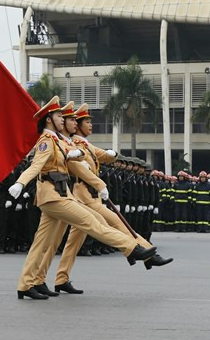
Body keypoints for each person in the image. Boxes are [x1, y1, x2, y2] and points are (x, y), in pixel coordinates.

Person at [9, 96, 158, 300]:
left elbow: (77, 156)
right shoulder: (46, 142)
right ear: (48, 120)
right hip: (54, 196)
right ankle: (132, 248)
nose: (62, 119)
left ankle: (29, 283)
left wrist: (79, 157)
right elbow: (36, 165)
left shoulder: (58, 141)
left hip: (60, 193)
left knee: (42, 243)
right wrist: (20, 182)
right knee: (92, 221)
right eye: (58, 115)